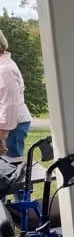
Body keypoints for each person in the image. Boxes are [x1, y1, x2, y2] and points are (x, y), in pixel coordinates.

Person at [0, 29, 32, 158]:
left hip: (11, 126)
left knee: (11, 169)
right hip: (6, 125)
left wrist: (1, 138)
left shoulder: (5, 69)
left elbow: (10, 104)